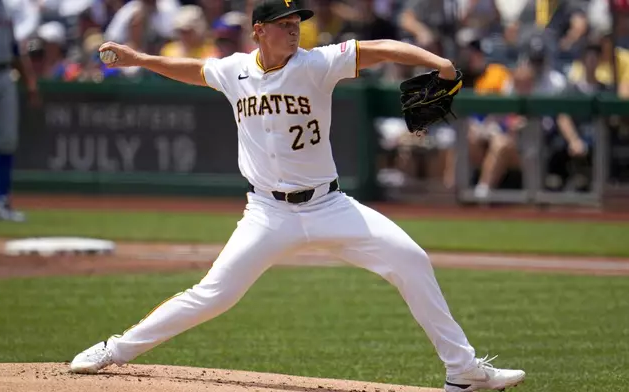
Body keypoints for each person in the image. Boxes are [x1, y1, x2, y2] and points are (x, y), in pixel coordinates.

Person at [69, 1, 526, 391]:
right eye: (285, 24)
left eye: (297, 23)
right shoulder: (234, 70)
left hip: (329, 206)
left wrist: (438, 62)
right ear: (259, 32)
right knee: (213, 294)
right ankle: (114, 350)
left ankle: (462, 370)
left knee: (410, 258)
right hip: (267, 213)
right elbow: (191, 70)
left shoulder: (317, 62)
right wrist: (139, 58)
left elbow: (382, 50)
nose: (295, 29)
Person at [0, 0, 39, 223]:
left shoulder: (5, 7)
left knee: (6, 141)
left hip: (5, 72)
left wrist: (30, 83)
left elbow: (15, 47)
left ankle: (2, 203)